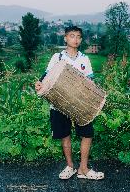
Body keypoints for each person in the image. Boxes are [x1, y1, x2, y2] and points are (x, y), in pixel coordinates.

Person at [35, 26, 104, 180]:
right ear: (65, 38)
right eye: (72, 36)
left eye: (78, 36)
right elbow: (45, 77)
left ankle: (83, 169)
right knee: (65, 136)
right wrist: (39, 83)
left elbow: (90, 82)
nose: (75, 39)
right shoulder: (57, 57)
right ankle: (70, 167)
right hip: (58, 103)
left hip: (81, 104)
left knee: (87, 134)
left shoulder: (84, 59)